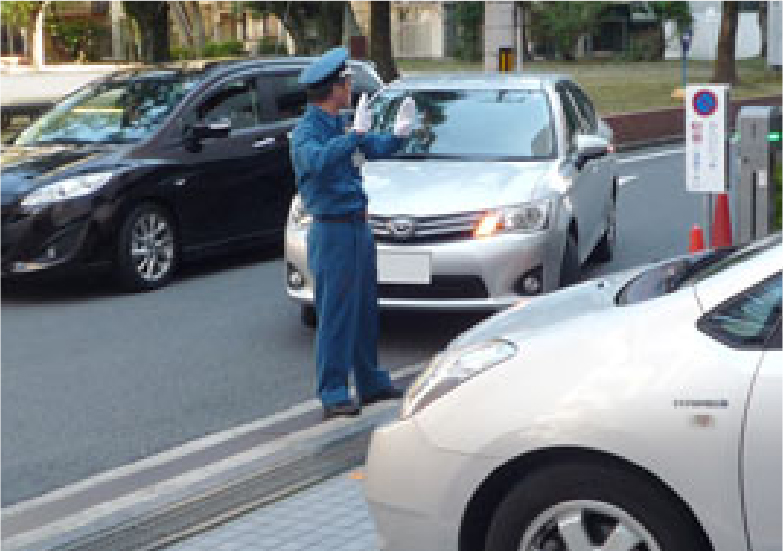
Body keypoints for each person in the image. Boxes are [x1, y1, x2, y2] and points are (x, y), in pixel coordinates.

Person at [291, 47, 416, 420]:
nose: (350, 87)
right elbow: (317, 161)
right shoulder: (306, 133)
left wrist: (398, 136)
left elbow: (367, 147)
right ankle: (333, 393)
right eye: (346, 82)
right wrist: (354, 136)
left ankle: (371, 381)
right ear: (334, 89)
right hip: (332, 232)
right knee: (336, 314)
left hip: (358, 228)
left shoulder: (337, 124)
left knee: (364, 310)